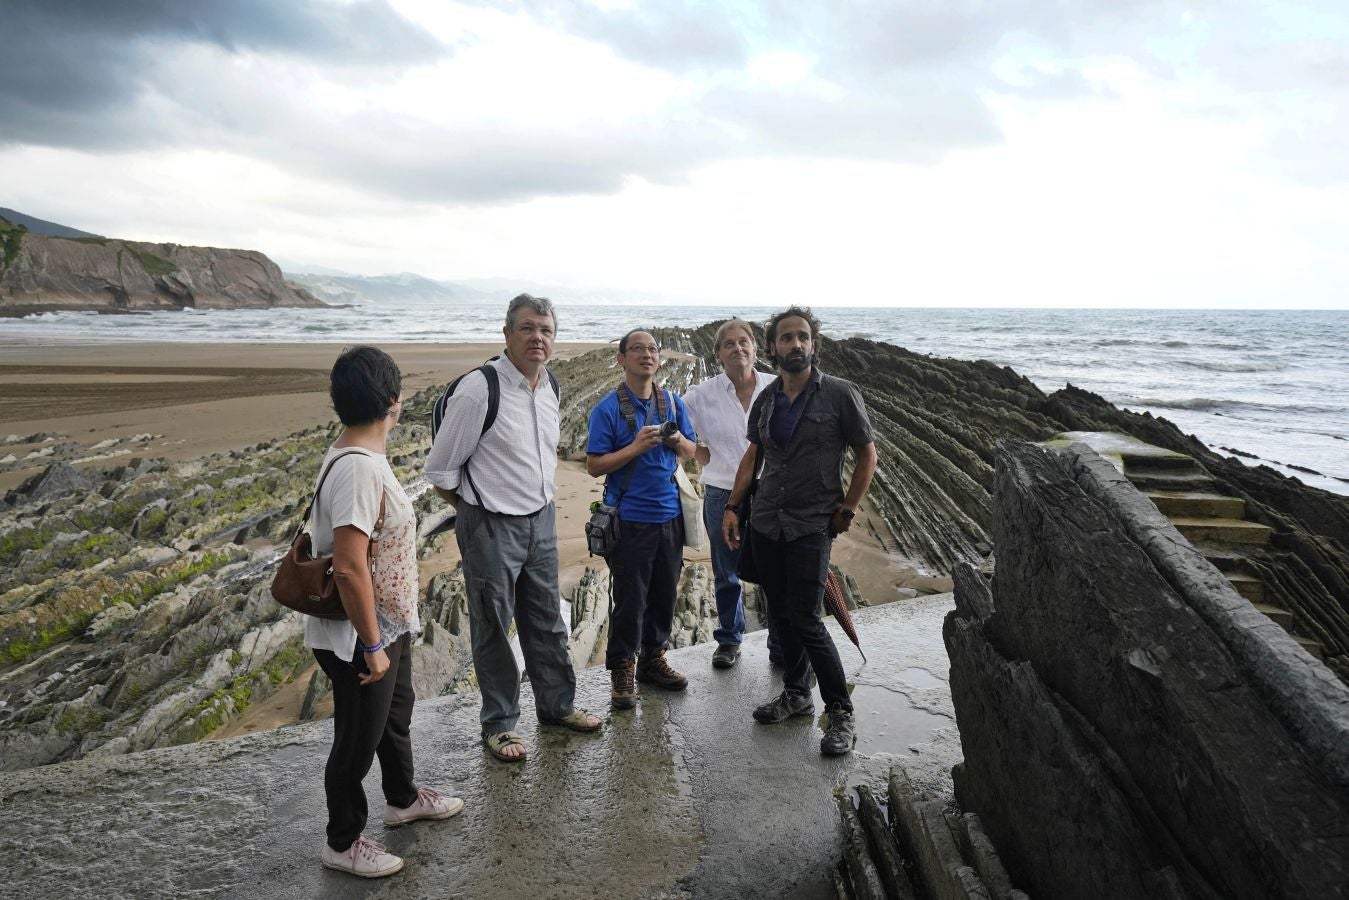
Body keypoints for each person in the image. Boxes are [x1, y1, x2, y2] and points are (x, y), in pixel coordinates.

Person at [306, 346, 462, 879]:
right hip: (358, 635)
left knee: (395, 714)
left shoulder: (361, 459)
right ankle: (342, 840)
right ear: (394, 403)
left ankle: (402, 798)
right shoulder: (358, 470)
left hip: (386, 625)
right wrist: (372, 644)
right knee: (357, 736)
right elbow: (349, 567)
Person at [425, 294, 601, 764]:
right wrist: (475, 512)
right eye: (527, 329)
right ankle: (500, 725)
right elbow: (441, 470)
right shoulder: (480, 389)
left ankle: (557, 706)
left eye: (545, 330)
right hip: (489, 524)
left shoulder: (551, 387)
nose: (537, 338)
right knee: (494, 628)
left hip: (540, 520)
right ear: (507, 334)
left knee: (545, 620)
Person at [723, 307, 877, 756]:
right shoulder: (768, 400)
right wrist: (734, 506)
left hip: (812, 523)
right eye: (786, 338)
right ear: (772, 348)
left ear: (814, 344)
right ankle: (796, 694)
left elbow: (867, 455)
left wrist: (847, 509)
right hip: (768, 520)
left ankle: (841, 712)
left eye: (803, 337)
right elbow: (754, 456)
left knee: (808, 618)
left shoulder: (841, 395)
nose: (795, 345)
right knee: (783, 615)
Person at [586, 329, 698, 708]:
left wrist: (675, 441)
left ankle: (653, 659)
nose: (646, 355)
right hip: (630, 520)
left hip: (670, 516)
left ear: (659, 359)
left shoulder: (672, 402)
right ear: (621, 359)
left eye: (652, 349)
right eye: (637, 349)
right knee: (630, 600)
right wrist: (634, 447)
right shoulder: (608, 409)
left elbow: (692, 450)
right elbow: (594, 466)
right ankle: (621, 668)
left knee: (664, 594)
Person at [682, 319, 778, 669]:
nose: (737, 348)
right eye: (729, 344)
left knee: (774, 571)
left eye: (744, 342)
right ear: (718, 354)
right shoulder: (701, 395)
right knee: (726, 571)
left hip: (769, 493)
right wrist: (696, 452)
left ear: (755, 348)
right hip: (722, 493)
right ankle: (729, 639)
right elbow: (672, 424)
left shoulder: (776, 387)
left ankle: (780, 643)